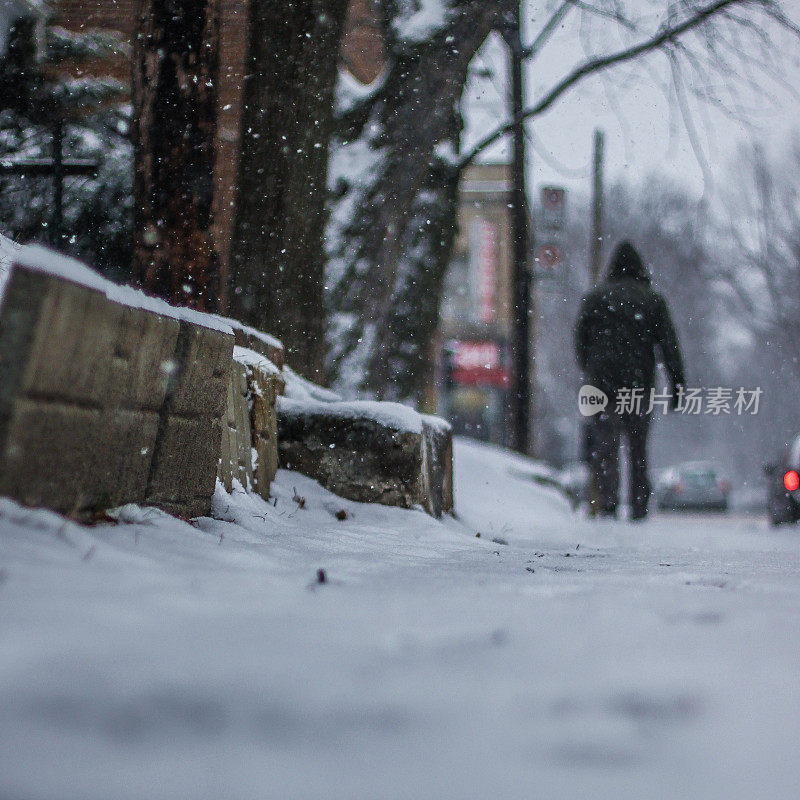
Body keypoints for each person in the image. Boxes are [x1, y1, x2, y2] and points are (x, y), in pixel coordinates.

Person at [575, 241, 684, 520]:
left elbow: (580, 339)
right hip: (638, 386)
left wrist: (588, 367)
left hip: (601, 386)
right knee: (638, 450)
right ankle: (638, 506)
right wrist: (677, 386)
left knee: (606, 447)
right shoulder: (652, 300)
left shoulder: (596, 299)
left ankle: (608, 503)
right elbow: (669, 346)